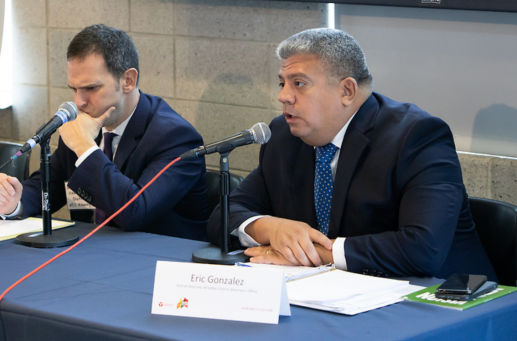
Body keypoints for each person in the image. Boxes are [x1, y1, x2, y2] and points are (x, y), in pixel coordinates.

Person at [208, 28, 497, 279]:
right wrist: (270, 228)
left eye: (298, 83)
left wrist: (317, 253)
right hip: (337, 292)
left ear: (347, 90)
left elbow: (422, 248)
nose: (284, 96)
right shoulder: (284, 135)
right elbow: (223, 215)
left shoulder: (416, 137)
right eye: (282, 82)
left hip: (444, 300)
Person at [0, 24, 208, 241]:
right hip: (93, 253)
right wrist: (13, 203)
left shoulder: (175, 137)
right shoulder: (87, 122)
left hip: (156, 261)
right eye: (74, 89)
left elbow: (136, 212)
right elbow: (50, 184)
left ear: (128, 81)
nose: (78, 102)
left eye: (91, 88)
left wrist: (85, 148)